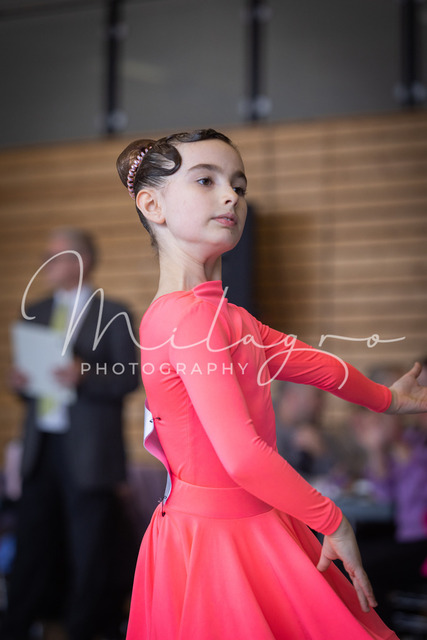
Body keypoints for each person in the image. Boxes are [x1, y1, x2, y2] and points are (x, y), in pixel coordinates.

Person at [116, 128, 427, 639]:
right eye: (206, 180)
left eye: (238, 185)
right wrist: (332, 519)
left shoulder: (223, 316)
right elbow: (241, 456)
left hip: (240, 523)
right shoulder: (191, 317)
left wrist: (388, 399)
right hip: (221, 538)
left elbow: (314, 364)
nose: (231, 196)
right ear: (153, 205)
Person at [1, 228, 139, 640]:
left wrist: (86, 374)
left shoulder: (114, 312)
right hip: (41, 446)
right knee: (32, 545)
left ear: (84, 261)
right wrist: (20, 381)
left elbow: (129, 377)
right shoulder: (36, 311)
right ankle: (16, 627)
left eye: (56, 256)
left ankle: (83, 630)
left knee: (90, 550)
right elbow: (27, 383)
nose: (47, 264)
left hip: (90, 452)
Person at [351, 363, 427, 626]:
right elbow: (383, 498)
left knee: (363, 566)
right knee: (351, 556)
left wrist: (400, 450)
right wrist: (377, 451)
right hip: (407, 537)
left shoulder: (412, 445)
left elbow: (415, 501)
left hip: (419, 541)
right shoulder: (411, 439)